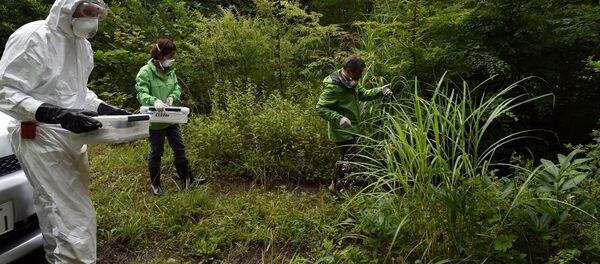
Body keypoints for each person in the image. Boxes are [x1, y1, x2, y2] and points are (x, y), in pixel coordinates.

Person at [0, 0, 131, 263]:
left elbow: (78, 93)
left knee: (52, 207)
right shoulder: (34, 38)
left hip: (71, 136)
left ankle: (56, 258)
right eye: (86, 12)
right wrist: (54, 113)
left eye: (96, 14)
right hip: (38, 135)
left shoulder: (83, 45)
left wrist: (104, 108)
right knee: (75, 215)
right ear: (67, 8)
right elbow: (6, 92)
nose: (91, 19)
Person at [135, 37, 207, 196]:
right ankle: (156, 185)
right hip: (155, 120)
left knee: (180, 148)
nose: (171, 60)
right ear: (160, 55)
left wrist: (172, 98)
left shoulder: (170, 72)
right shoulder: (145, 72)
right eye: (169, 57)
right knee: (156, 151)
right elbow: (141, 93)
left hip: (171, 117)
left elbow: (176, 88)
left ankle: (188, 180)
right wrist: (154, 100)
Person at [315, 55, 393, 196]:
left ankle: (336, 186)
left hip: (352, 129)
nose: (360, 76)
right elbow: (320, 107)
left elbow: (362, 94)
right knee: (354, 160)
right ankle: (348, 188)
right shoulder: (334, 87)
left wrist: (380, 91)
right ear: (349, 71)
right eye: (358, 73)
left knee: (347, 159)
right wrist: (339, 118)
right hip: (341, 131)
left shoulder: (352, 82)